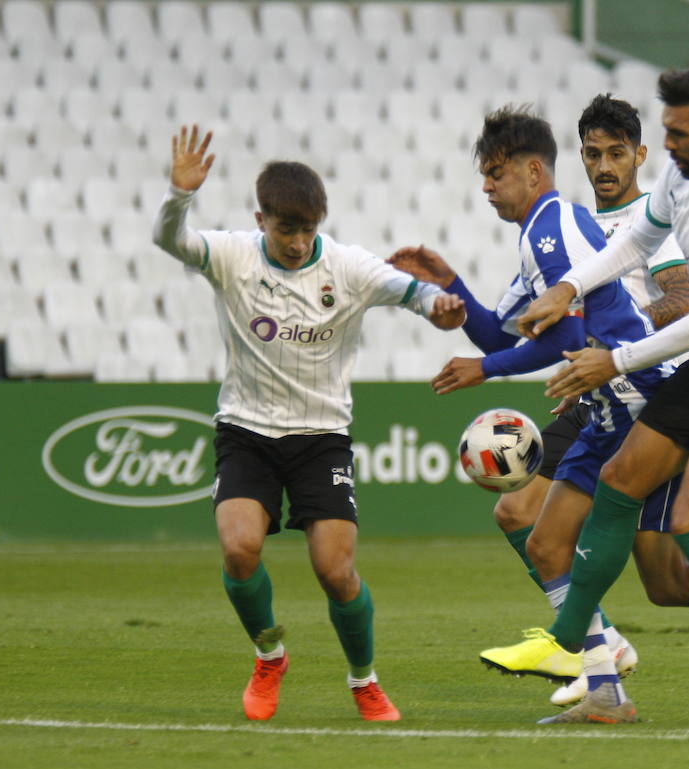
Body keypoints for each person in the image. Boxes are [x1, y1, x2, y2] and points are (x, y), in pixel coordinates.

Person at [396, 105, 689, 725]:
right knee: (542, 532)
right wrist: (451, 290)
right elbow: (512, 333)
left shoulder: (628, 222)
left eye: (616, 152)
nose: (603, 164)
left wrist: (605, 343)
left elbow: (678, 303)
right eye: (592, 153)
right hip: (597, 398)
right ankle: (601, 674)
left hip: (637, 388)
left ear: (639, 156)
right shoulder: (549, 235)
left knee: (674, 564)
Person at [152, 124, 466, 722]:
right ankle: (269, 654)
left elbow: (411, 293)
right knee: (240, 550)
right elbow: (170, 240)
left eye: (307, 229)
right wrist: (179, 196)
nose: (297, 243)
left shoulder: (347, 267)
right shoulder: (233, 256)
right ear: (261, 219)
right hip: (245, 430)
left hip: (321, 437)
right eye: (285, 228)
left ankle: (363, 679)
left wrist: (441, 306)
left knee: (335, 571)